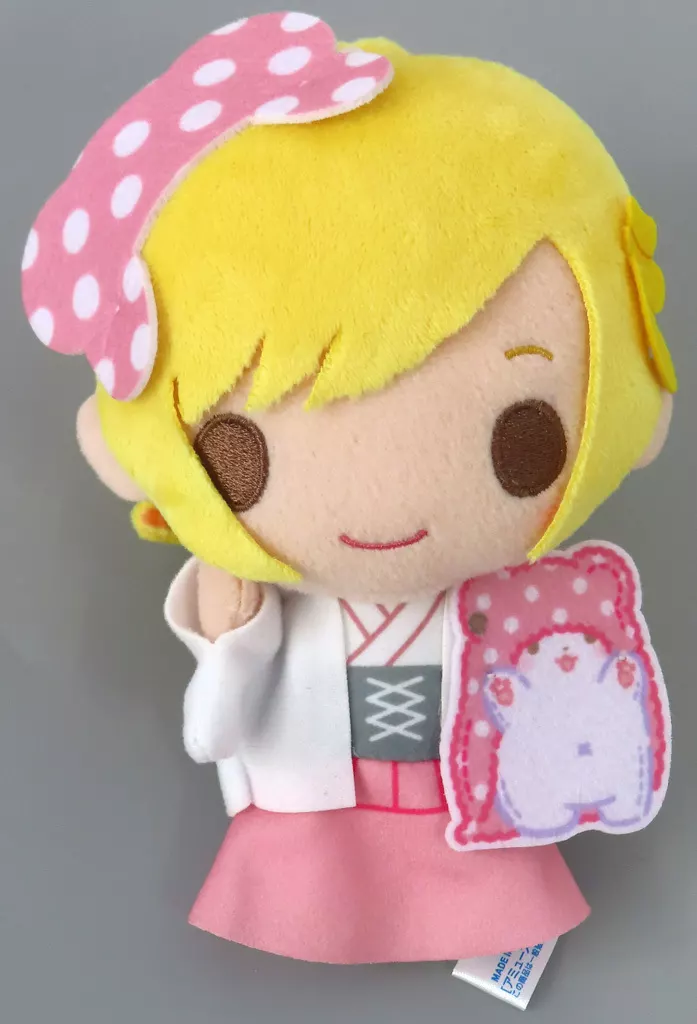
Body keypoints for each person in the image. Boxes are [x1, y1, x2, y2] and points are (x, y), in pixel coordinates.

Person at [24, 14, 675, 964]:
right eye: (247, 447)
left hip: (473, 810)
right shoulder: (264, 602)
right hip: (309, 815)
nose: (389, 499)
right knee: (308, 863)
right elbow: (217, 721)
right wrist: (233, 632)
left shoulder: (527, 612)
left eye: (518, 437)